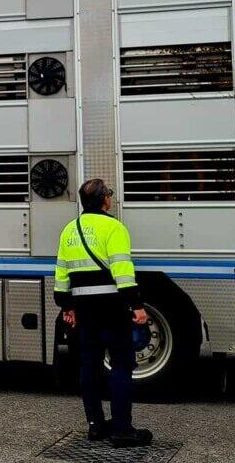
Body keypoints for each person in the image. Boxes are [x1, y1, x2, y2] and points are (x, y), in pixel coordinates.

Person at [54, 179, 153, 447]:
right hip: (111, 307)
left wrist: (66, 305)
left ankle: (96, 426)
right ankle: (122, 429)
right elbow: (122, 270)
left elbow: (62, 272)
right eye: (109, 193)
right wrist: (136, 305)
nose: (110, 197)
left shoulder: (70, 229)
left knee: (89, 365)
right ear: (104, 200)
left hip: (83, 309)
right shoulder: (114, 227)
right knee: (121, 364)